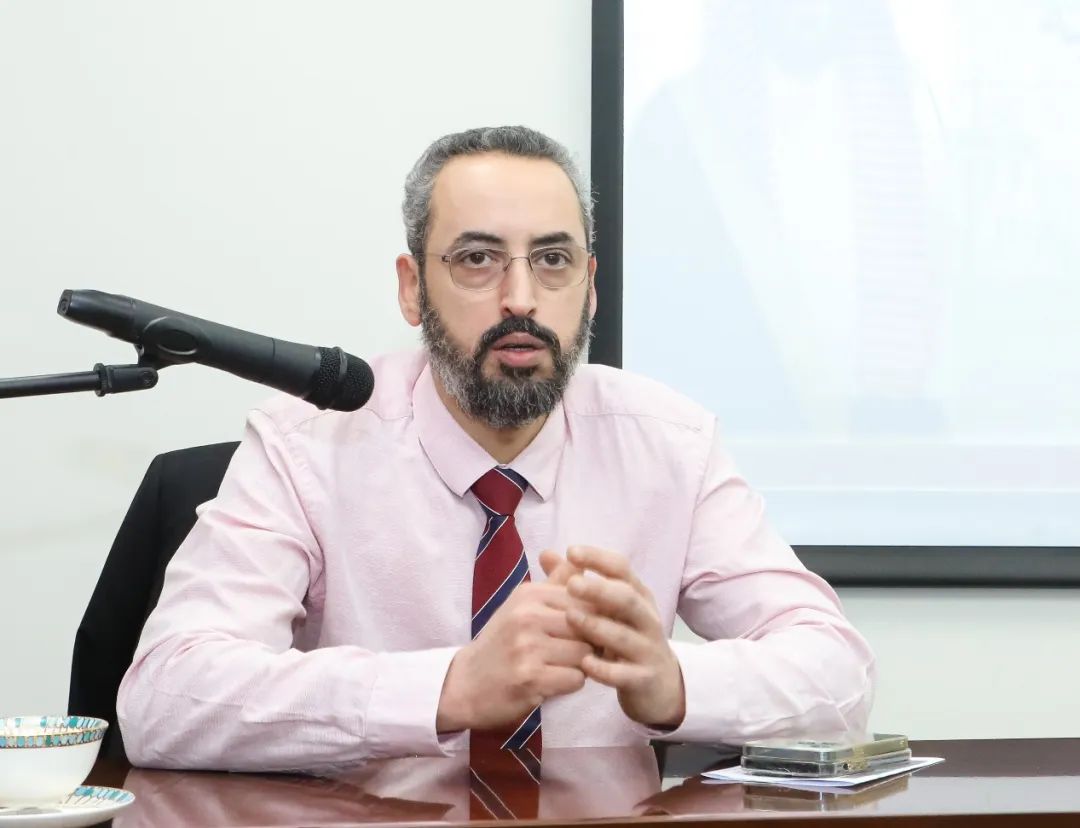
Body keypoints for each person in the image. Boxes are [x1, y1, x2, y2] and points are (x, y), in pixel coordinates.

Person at [117, 125, 875, 772]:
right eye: (478, 259)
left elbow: (840, 677)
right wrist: (447, 689)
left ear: (590, 287)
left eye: (553, 260)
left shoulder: (670, 444)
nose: (521, 298)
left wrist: (673, 681)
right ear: (411, 287)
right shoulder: (305, 445)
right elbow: (163, 701)